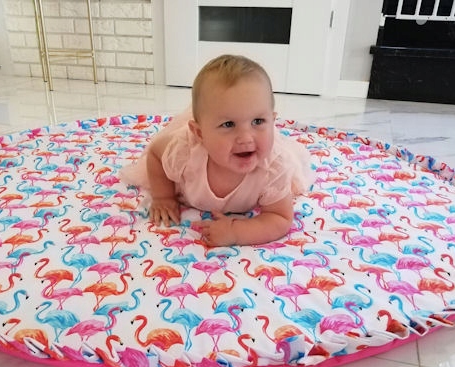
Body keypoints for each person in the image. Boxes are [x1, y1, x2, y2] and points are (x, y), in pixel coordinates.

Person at [121, 54, 314, 246]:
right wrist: (164, 196)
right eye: (228, 124)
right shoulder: (186, 151)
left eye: (258, 121)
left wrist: (237, 232)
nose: (246, 138)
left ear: (272, 121)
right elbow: (155, 153)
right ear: (200, 133)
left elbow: (279, 218)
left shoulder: (273, 167)